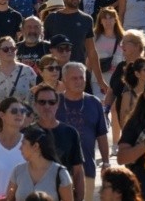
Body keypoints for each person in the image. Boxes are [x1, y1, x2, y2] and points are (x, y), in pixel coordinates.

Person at [43, 0, 108, 95]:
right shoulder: (51, 18)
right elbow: (45, 49)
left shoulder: (86, 19)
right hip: (56, 74)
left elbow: (92, 51)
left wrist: (100, 80)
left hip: (79, 73)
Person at [56, 62, 109, 201]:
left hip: (87, 168)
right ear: (64, 80)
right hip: (58, 170)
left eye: (82, 78)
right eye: (74, 78)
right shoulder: (54, 102)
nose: (79, 81)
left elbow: (102, 134)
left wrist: (106, 162)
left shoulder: (94, 102)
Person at [33, 84, 84, 201]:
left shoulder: (70, 133)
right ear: (35, 105)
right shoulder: (26, 134)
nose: (47, 106)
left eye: (51, 102)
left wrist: (80, 198)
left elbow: (78, 171)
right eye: (42, 102)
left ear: (57, 105)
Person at [6, 125, 73, 201]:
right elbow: (9, 199)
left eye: (23, 143)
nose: (20, 148)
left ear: (35, 146)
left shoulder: (61, 174)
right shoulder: (18, 171)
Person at [0, 36, 36, 110]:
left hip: (23, 118)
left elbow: (36, 96)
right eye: (5, 49)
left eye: (12, 48)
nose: (10, 51)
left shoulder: (28, 71)